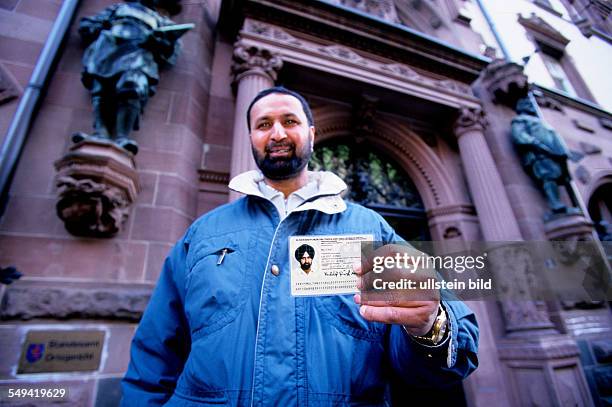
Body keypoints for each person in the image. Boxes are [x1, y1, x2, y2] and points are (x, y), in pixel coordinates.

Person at [121, 86, 479, 405]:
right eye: (263, 125)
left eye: (289, 121)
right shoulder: (203, 234)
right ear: (251, 137)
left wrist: (430, 326)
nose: (276, 133)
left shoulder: (371, 229)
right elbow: (154, 353)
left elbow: (440, 363)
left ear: (310, 132)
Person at [76, 0, 187, 155]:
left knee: (132, 88)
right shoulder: (120, 9)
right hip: (109, 51)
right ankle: (100, 133)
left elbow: (171, 53)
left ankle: (122, 136)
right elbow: (88, 25)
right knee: (101, 89)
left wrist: (160, 41)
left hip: (138, 55)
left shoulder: (160, 21)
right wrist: (103, 28)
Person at [511, 97, 576, 215]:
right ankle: (556, 205)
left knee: (562, 178)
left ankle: (567, 205)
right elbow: (520, 136)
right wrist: (537, 144)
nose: (530, 105)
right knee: (548, 176)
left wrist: (561, 151)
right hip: (540, 154)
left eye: (530, 103)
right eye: (526, 104)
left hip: (555, 154)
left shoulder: (540, 120)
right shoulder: (519, 120)